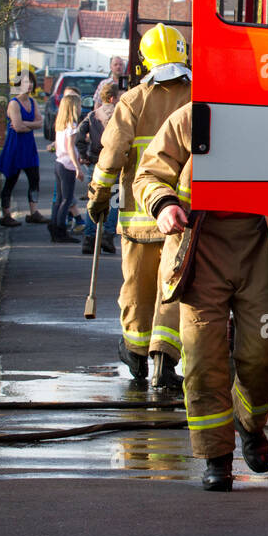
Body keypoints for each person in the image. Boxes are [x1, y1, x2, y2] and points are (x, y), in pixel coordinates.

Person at [134, 102, 268, 491]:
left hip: (262, 248)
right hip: (200, 251)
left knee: (266, 354)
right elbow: (149, 172)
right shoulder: (192, 116)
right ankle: (216, 456)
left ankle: (249, 423)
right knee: (203, 360)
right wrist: (164, 203)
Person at [87, 24, 189, 389]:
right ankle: (165, 356)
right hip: (184, 217)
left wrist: (98, 198)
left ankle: (135, 352)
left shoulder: (133, 100)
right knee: (174, 286)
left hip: (140, 215)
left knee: (137, 287)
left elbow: (111, 155)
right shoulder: (200, 95)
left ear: (146, 60)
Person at [0, 69, 46, 227]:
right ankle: (6, 215)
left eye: (31, 82)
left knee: (34, 180)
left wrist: (27, 124)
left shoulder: (33, 102)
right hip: (15, 147)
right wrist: (30, 125)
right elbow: (17, 127)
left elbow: (40, 122)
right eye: (25, 82)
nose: (29, 85)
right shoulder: (13, 103)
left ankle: (33, 212)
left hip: (29, 147)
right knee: (11, 181)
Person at [75, 79, 120, 255]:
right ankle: (107, 237)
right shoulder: (120, 114)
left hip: (96, 162)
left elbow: (79, 135)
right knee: (115, 200)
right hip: (115, 162)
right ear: (112, 98)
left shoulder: (93, 115)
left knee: (93, 199)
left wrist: (83, 154)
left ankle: (89, 238)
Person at [49, 77, 84, 243]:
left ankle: (55, 226)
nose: (80, 108)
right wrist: (78, 166)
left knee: (60, 199)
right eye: (78, 106)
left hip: (59, 163)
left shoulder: (61, 125)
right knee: (67, 199)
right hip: (67, 166)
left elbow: (60, 145)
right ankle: (61, 231)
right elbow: (70, 147)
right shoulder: (72, 126)